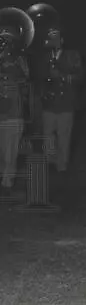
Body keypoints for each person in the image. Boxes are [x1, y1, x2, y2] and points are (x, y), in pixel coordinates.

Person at [40, 27, 83, 172]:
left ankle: (62, 166)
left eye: (56, 38)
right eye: (51, 38)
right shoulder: (45, 57)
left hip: (66, 104)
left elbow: (80, 77)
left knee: (64, 137)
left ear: (62, 40)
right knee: (47, 136)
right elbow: (37, 77)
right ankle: (50, 162)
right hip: (49, 104)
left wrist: (62, 76)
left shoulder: (72, 55)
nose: (54, 41)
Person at [0, 24, 29, 194]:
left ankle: (7, 180)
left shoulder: (20, 59)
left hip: (13, 112)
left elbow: (25, 80)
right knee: (3, 148)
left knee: (11, 148)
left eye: (8, 39)